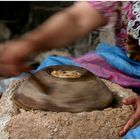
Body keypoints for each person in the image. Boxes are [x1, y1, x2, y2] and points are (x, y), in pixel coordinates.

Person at [0, 1, 140, 136]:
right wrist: (28, 44)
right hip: (121, 60)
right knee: (52, 65)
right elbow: (77, 19)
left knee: (133, 133)